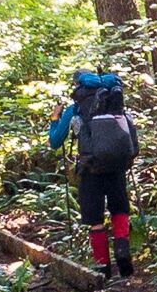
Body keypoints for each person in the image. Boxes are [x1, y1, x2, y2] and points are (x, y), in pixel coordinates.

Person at [48, 69, 139, 276]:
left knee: (95, 218)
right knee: (119, 209)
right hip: (116, 166)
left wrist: (55, 117)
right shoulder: (115, 103)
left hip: (90, 169)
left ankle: (102, 268)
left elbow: (55, 142)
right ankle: (123, 251)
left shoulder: (76, 109)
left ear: (78, 86)